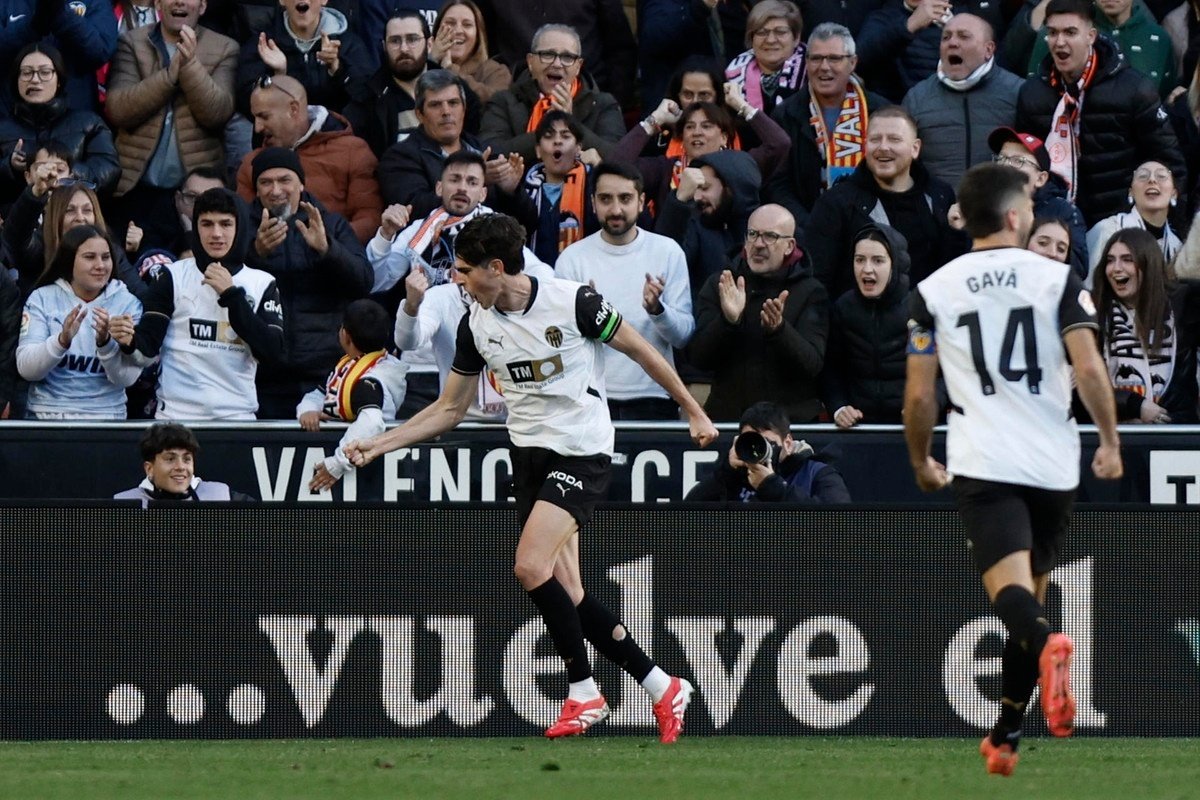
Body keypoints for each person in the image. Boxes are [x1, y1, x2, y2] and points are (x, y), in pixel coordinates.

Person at [346, 212, 718, 743]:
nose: (457, 279)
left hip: (582, 451)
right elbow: (450, 408)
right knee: (568, 590)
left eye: (466, 270)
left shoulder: (573, 302)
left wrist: (692, 411)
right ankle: (662, 685)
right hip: (529, 456)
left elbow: (642, 349)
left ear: (497, 268)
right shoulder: (475, 323)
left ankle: (584, 693)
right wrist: (379, 444)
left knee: (528, 565)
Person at [903, 162, 1123, 776]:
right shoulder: (1060, 280)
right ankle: (1005, 734)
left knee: (1013, 601)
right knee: (1033, 596)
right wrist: (1108, 440)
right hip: (1055, 464)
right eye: (1027, 202)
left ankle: (1051, 645)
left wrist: (921, 459)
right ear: (1012, 217)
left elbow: (921, 397)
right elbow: (1089, 368)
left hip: (986, 458)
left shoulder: (933, 292)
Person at [111, 188, 286, 420]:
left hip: (237, 418)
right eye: (206, 224)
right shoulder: (172, 276)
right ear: (196, 227)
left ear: (239, 227)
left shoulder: (262, 283)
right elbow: (147, 349)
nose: (216, 233)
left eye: (225, 224)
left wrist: (232, 296)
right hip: (176, 418)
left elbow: (272, 353)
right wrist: (129, 340)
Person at [1014, 0, 1185, 227]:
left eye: (1070, 32)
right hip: (1053, 224)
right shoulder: (1033, 93)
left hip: (1120, 226)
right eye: (1053, 32)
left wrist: (1163, 228)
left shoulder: (1134, 88)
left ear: (1091, 36)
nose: (1059, 42)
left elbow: (1170, 163)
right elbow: (1021, 164)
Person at [556, 161, 695, 420]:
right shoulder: (572, 258)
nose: (616, 209)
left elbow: (683, 336)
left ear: (641, 202)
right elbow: (558, 341)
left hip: (654, 395)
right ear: (593, 203)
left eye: (625, 198)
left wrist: (658, 310)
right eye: (606, 199)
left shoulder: (667, 251)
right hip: (590, 398)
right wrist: (584, 319)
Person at [243, 147, 373, 418]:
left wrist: (328, 250)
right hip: (260, 374)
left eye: (284, 180)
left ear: (301, 183)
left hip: (322, 373)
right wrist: (256, 255)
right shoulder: (242, 227)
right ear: (256, 189)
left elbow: (363, 281)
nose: (276, 190)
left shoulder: (331, 224)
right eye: (265, 182)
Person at [105, 0, 238, 253]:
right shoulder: (131, 42)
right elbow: (119, 109)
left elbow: (217, 112)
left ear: (202, 6)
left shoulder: (225, 47)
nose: (178, 1)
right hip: (134, 188)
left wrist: (189, 65)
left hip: (192, 195)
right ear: (158, 4)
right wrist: (169, 76)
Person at [803, 106, 966, 300]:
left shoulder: (940, 195)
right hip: (858, 327)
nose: (883, 147)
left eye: (894, 139)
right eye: (875, 140)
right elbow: (817, 280)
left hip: (930, 321)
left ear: (915, 148)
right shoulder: (836, 203)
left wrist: (958, 234)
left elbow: (954, 269)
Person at [690, 203, 829, 422]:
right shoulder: (722, 283)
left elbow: (812, 365)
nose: (758, 244)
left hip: (788, 427)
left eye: (770, 236)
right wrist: (728, 322)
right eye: (753, 234)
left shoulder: (811, 291)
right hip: (730, 422)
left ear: (789, 246)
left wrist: (779, 330)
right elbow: (698, 357)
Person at [765, 23, 892, 227]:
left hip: (871, 230)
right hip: (806, 231)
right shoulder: (785, 114)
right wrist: (809, 227)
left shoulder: (881, 112)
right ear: (806, 63)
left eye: (834, 58)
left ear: (852, 62)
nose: (824, 67)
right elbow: (778, 185)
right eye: (816, 58)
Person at [16, 224, 143, 419]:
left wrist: (105, 344)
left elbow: (126, 378)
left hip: (108, 416)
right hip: (46, 414)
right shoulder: (42, 298)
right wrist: (61, 341)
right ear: (69, 261)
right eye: (89, 257)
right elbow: (27, 369)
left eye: (106, 257)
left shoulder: (128, 304)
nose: (101, 265)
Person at [238, 74, 382, 244]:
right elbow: (241, 225)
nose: (257, 127)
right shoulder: (251, 164)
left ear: (293, 109)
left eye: (264, 117)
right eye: (255, 118)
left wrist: (328, 245)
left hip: (334, 262)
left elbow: (369, 217)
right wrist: (259, 246)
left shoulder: (353, 151)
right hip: (269, 264)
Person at [616, 92, 790, 225]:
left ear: (723, 137)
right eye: (690, 127)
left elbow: (779, 144)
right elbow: (616, 167)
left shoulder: (740, 167)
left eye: (706, 126)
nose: (697, 132)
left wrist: (741, 105)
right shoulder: (665, 169)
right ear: (682, 137)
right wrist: (654, 121)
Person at [901, 14, 1023, 189]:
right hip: (936, 212)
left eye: (964, 36)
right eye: (946, 37)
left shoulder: (1017, 92)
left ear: (988, 50)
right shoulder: (916, 98)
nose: (952, 43)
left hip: (999, 210)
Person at [1091, 228, 1200, 423]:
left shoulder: (1184, 303)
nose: (1116, 268)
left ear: (1148, 263)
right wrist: (1132, 404)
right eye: (1110, 260)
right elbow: (1085, 385)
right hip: (1117, 434)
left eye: (1127, 259)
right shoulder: (1093, 311)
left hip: (1177, 434)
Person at [299, 299, 409, 491]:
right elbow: (319, 394)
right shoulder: (348, 365)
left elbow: (372, 423)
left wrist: (337, 463)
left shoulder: (369, 381)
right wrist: (309, 410)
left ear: (345, 335)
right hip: (351, 462)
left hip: (366, 468)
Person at [478, 23, 625, 164]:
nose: (557, 64)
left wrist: (571, 125)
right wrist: (546, 129)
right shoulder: (503, 101)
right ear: (530, 61)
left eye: (567, 57)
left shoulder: (603, 104)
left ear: (578, 66)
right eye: (548, 54)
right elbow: (489, 152)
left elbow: (619, 156)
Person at [0, 44, 120, 207]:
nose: (35, 79)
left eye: (45, 72)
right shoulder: (3, 129)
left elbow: (109, 170)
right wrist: (10, 166)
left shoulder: (89, 123)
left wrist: (66, 171)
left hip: (74, 217)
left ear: (59, 80)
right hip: (15, 222)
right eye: (27, 73)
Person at [822, 222, 911, 428]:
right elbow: (830, 369)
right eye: (859, 260)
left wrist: (926, 405)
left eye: (878, 261)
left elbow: (943, 373)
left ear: (895, 264)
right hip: (858, 429)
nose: (867, 269)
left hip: (910, 427)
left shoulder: (919, 307)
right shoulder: (843, 308)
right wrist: (839, 407)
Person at [3, 177, 145, 300]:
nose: (80, 218)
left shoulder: (111, 253)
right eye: (70, 211)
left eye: (87, 210)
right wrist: (34, 195)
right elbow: (15, 238)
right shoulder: (40, 247)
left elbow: (141, 295)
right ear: (55, 216)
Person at [685, 400, 852, 502]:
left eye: (767, 443)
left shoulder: (815, 473)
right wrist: (725, 473)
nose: (758, 451)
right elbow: (687, 514)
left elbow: (838, 524)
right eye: (752, 441)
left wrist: (775, 488)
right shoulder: (736, 475)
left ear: (787, 443)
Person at [376, 69, 491, 213]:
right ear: (419, 114)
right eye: (435, 105)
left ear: (464, 109)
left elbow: (519, 215)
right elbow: (414, 208)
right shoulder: (399, 157)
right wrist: (478, 183)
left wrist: (512, 188)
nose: (446, 112)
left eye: (453, 103)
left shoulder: (485, 150)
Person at [234, 0, 373, 116]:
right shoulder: (263, 44)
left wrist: (337, 69)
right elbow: (247, 105)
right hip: (283, 139)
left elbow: (367, 100)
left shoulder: (349, 43)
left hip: (334, 137)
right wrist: (279, 77)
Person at [986, 126, 1087, 279]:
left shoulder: (1063, 211)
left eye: (1018, 161)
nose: (1006, 165)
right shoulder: (982, 206)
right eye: (1002, 159)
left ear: (1041, 179)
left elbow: (1079, 268)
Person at [1020, 0, 1176, 98]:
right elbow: (1034, 95)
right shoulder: (1058, 31)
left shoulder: (1158, 38)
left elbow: (1164, 97)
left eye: (1071, 33)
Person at [343, 10, 435, 156]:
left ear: (429, 44)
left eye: (412, 39)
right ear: (384, 46)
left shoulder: (454, 90)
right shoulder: (366, 102)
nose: (404, 48)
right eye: (395, 41)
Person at [1085, 162, 1183, 286]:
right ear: (1130, 192)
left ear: (1174, 193)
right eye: (1143, 176)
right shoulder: (1107, 231)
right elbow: (1087, 290)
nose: (1152, 180)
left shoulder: (1177, 247)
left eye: (1161, 176)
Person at [520, 110, 599, 266]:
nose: (557, 141)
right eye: (549, 136)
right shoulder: (524, 189)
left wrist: (600, 168)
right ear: (538, 150)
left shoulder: (594, 188)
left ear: (578, 148)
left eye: (565, 136)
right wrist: (510, 191)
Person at [114, 422, 255, 504]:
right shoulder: (123, 503)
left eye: (187, 459)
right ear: (149, 468)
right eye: (170, 459)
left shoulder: (223, 496)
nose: (181, 467)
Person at [725, 0, 807, 114]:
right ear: (751, 38)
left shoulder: (812, 73)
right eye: (762, 32)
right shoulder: (733, 79)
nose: (770, 40)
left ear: (796, 37)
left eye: (780, 32)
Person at [428, 0, 511, 106]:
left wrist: (450, 70)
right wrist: (431, 61)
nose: (458, 30)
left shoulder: (496, 71)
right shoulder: (421, 66)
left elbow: (495, 102)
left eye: (467, 25)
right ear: (437, 30)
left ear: (478, 35)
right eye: (450, 23)